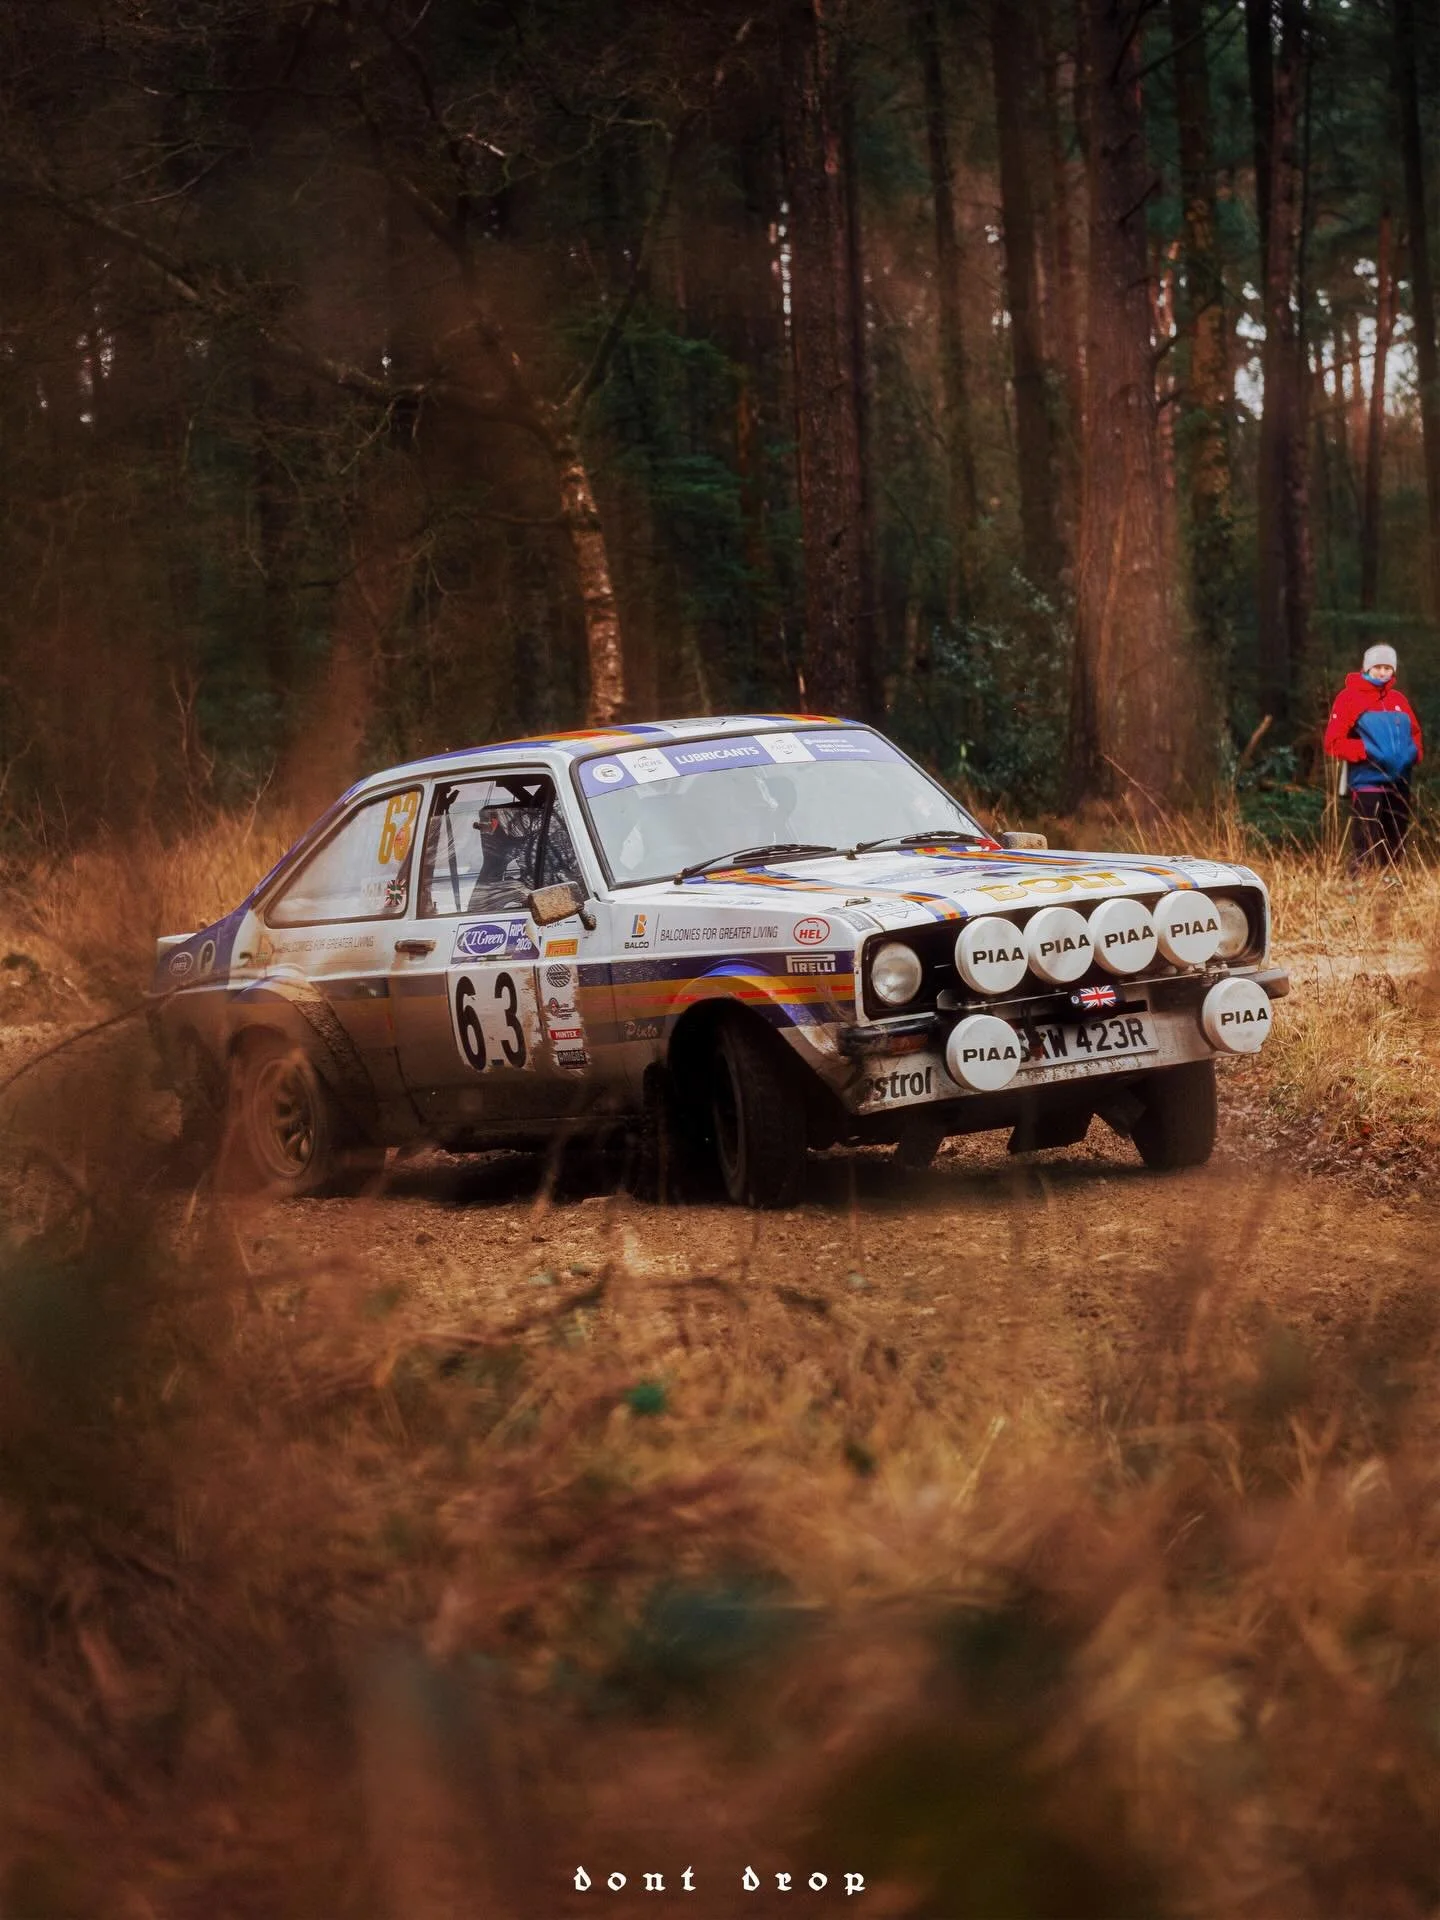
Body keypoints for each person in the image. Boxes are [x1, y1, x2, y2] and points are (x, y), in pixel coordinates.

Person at [1323, 643, 1423, 870]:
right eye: (1378, 666)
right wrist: (1365, 751)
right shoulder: (1349, 697)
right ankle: (1361, 883)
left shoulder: (1399, 700)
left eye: (1388, 667)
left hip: (1399, 780)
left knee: (1396, 833)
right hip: (1366, 779)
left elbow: (1415, 733)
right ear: (1367, 668)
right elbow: (1333, 742)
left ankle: (1391, 880)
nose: (1383, 672)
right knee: (1367, 834)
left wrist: (1413, 754)